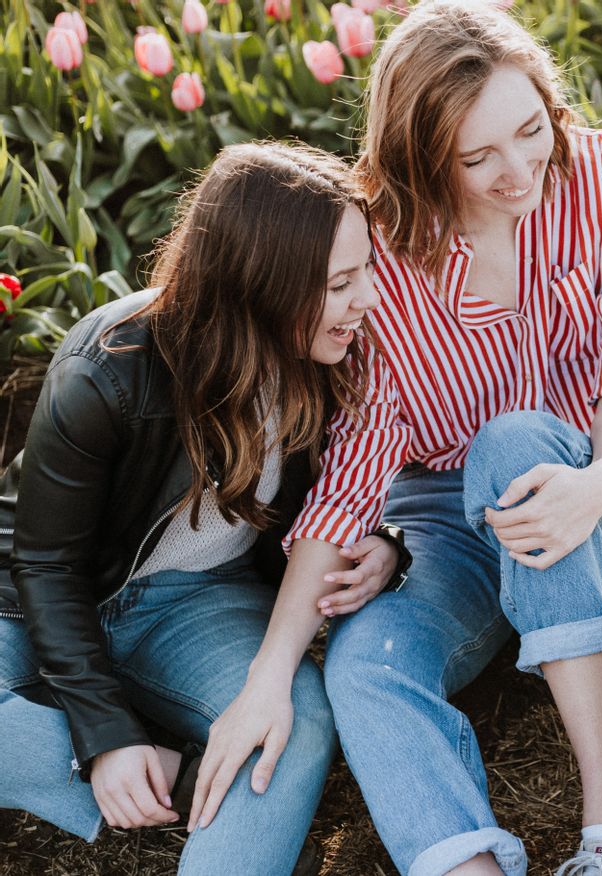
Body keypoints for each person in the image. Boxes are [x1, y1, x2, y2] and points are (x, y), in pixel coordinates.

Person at [311, 1, 602, 873]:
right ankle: (465, 864)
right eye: (477, 159)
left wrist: (593, 484)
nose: (518, 171)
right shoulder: (379, 239)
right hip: (446, 522)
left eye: (530, 132)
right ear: (419, 158)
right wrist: (378, 538)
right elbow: (366, 436)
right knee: (367, 665)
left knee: (515, 446)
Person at [0, 141, 407, 875]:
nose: (368, 300)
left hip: (196, 604)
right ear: (262, 286)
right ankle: (171, 772)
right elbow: (47, 566)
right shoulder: (106, 372)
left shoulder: (336, 357)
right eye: (341, 282)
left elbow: (350, 488)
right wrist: (105, 736)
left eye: (365, 271)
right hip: (39, 605)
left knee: (294, 723)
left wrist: (384, 541)